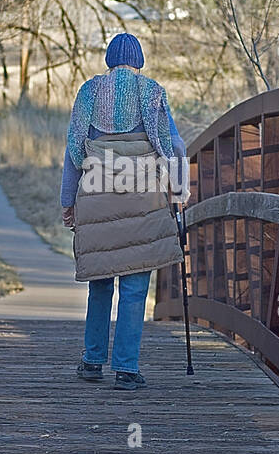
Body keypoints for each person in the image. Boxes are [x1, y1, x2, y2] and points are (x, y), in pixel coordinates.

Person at [60, 33, 187, 390]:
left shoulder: (89, 91)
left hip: (98, 192)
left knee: (101, 280)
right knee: (134, 285)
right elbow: (173, 143)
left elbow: (73, 150)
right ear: (139, 61)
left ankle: (92, 361)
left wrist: (68, 202)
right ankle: (127, 370)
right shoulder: (152, 92)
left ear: (109, 60)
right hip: (140, 195)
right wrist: (179, 189)